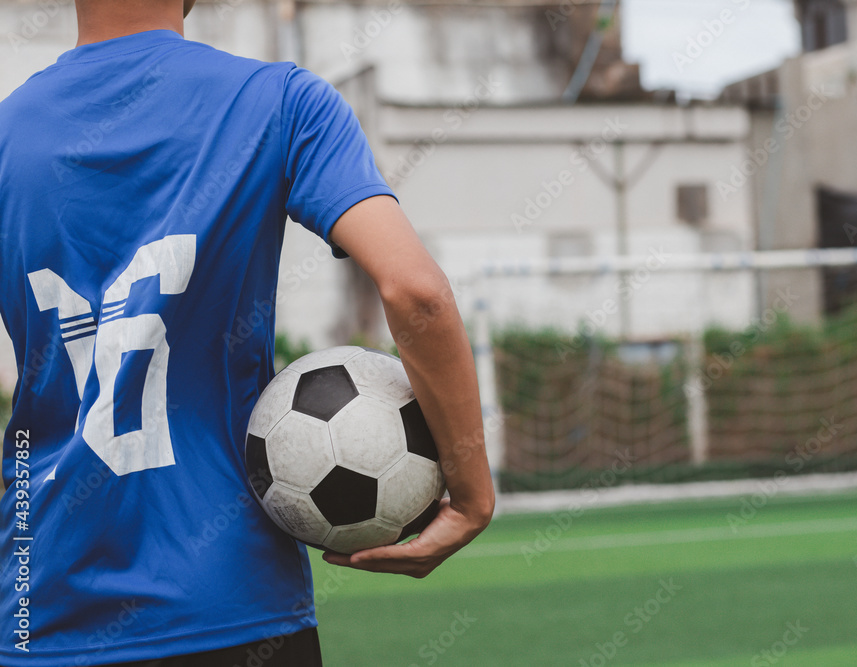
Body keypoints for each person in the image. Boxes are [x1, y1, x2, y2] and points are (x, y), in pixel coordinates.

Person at [0, 0, 494, 665]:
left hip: (39, 611)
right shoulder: (281, 102)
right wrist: (469, 491)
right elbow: (418, 294)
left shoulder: (7, 135)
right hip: (232, 608)